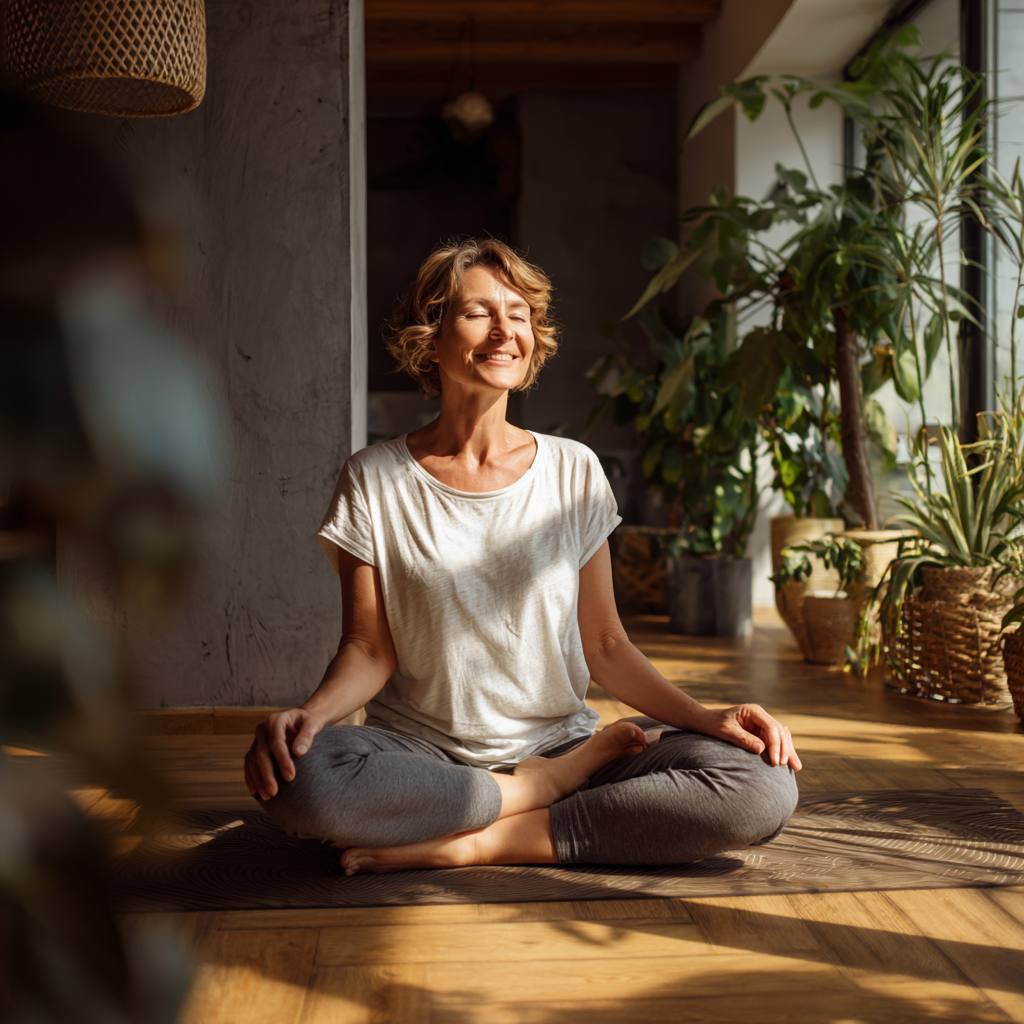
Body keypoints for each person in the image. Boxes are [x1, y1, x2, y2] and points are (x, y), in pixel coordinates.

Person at [243, 238, 801, 875]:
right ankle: (538, 792)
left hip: (564, 743)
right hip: (423, 757)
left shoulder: (573, 470)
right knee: (302, 779)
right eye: (479, 312)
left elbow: (607, 644)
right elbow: (369, 648)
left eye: (520, 314)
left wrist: (706, 717)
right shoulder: (374, 478)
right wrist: (308, 717)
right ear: (431, 334)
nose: (505, 330)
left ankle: (490, 838)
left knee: (761, 782)